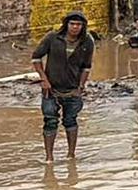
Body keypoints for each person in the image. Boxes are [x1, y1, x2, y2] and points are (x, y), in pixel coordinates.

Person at [31, 11, 93, 162]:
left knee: (71, 120)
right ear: (66, 24)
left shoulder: (87, 41)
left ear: (83, 26)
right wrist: (44, 79)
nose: (75, 27)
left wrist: (81, 87)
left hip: (73, 89)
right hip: (51, 89)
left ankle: (71, 155)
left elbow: (86, 67)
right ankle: (49, 158)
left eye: (79, 24)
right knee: (50, 121)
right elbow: (36, 57)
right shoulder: (53, 38)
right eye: (72, 24)